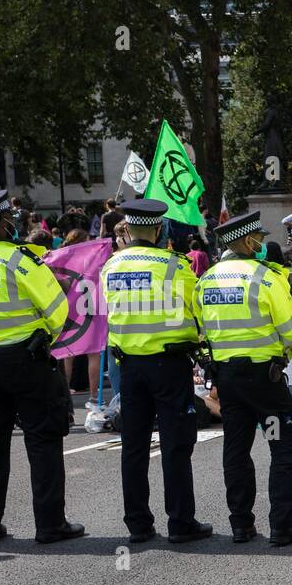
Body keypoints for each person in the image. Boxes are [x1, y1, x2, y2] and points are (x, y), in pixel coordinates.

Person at [0, 189, 83, 545]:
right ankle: (50, 525)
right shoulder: (20, 261)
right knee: (43, 439)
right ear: (4, 223)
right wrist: (43, 334)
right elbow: (58, 310)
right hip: (27, 360)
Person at [99, 198, 211, 544]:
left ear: (128, 230)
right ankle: (180, 522)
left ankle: (138, 524)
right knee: (176, 445)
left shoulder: (112, 267)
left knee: (134, 446)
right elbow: (197, 313)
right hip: (169, 365)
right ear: (160, 229)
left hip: (129, 367)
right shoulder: (175, 267)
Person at [196, 211, 292, 546]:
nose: (261, 244)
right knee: (282, 445)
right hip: (264, 384)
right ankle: (281, 525)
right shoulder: (264, 278)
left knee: (237, 447)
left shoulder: (207, 280)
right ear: (247, 241)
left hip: (229, 382)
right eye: (258, 239)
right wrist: (285, 355)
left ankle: (241, 524)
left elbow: (201, 329)